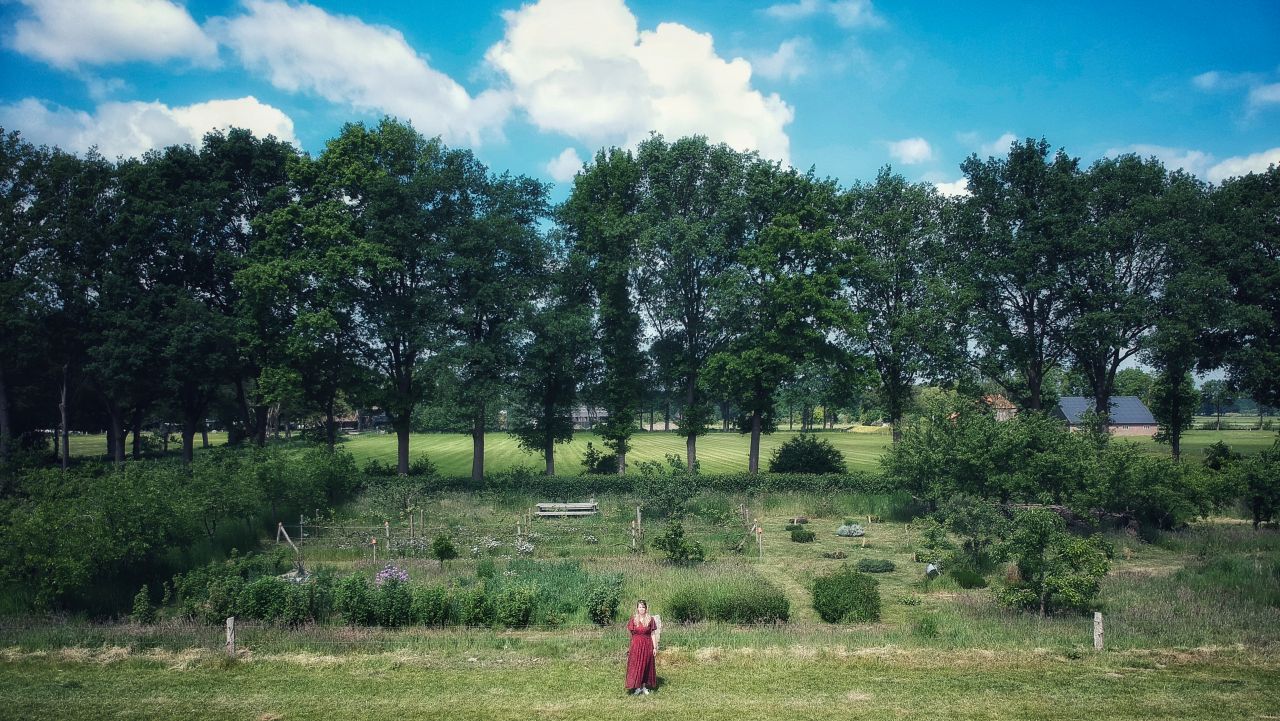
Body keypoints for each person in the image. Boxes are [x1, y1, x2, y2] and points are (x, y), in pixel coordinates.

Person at [625, 599, 661, 695]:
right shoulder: (633, 619)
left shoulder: (650, 619)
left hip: (647, 645)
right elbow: (631, 635)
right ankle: (637, 687)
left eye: (643, 607)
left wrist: (654, 647)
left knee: (646, 665)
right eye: (640, 607)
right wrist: (630, 647)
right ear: (637, 608)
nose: (641, 609)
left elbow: (652, 634)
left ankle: (644, 687)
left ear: (646, 608)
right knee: (636, 666)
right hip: (636, 645)